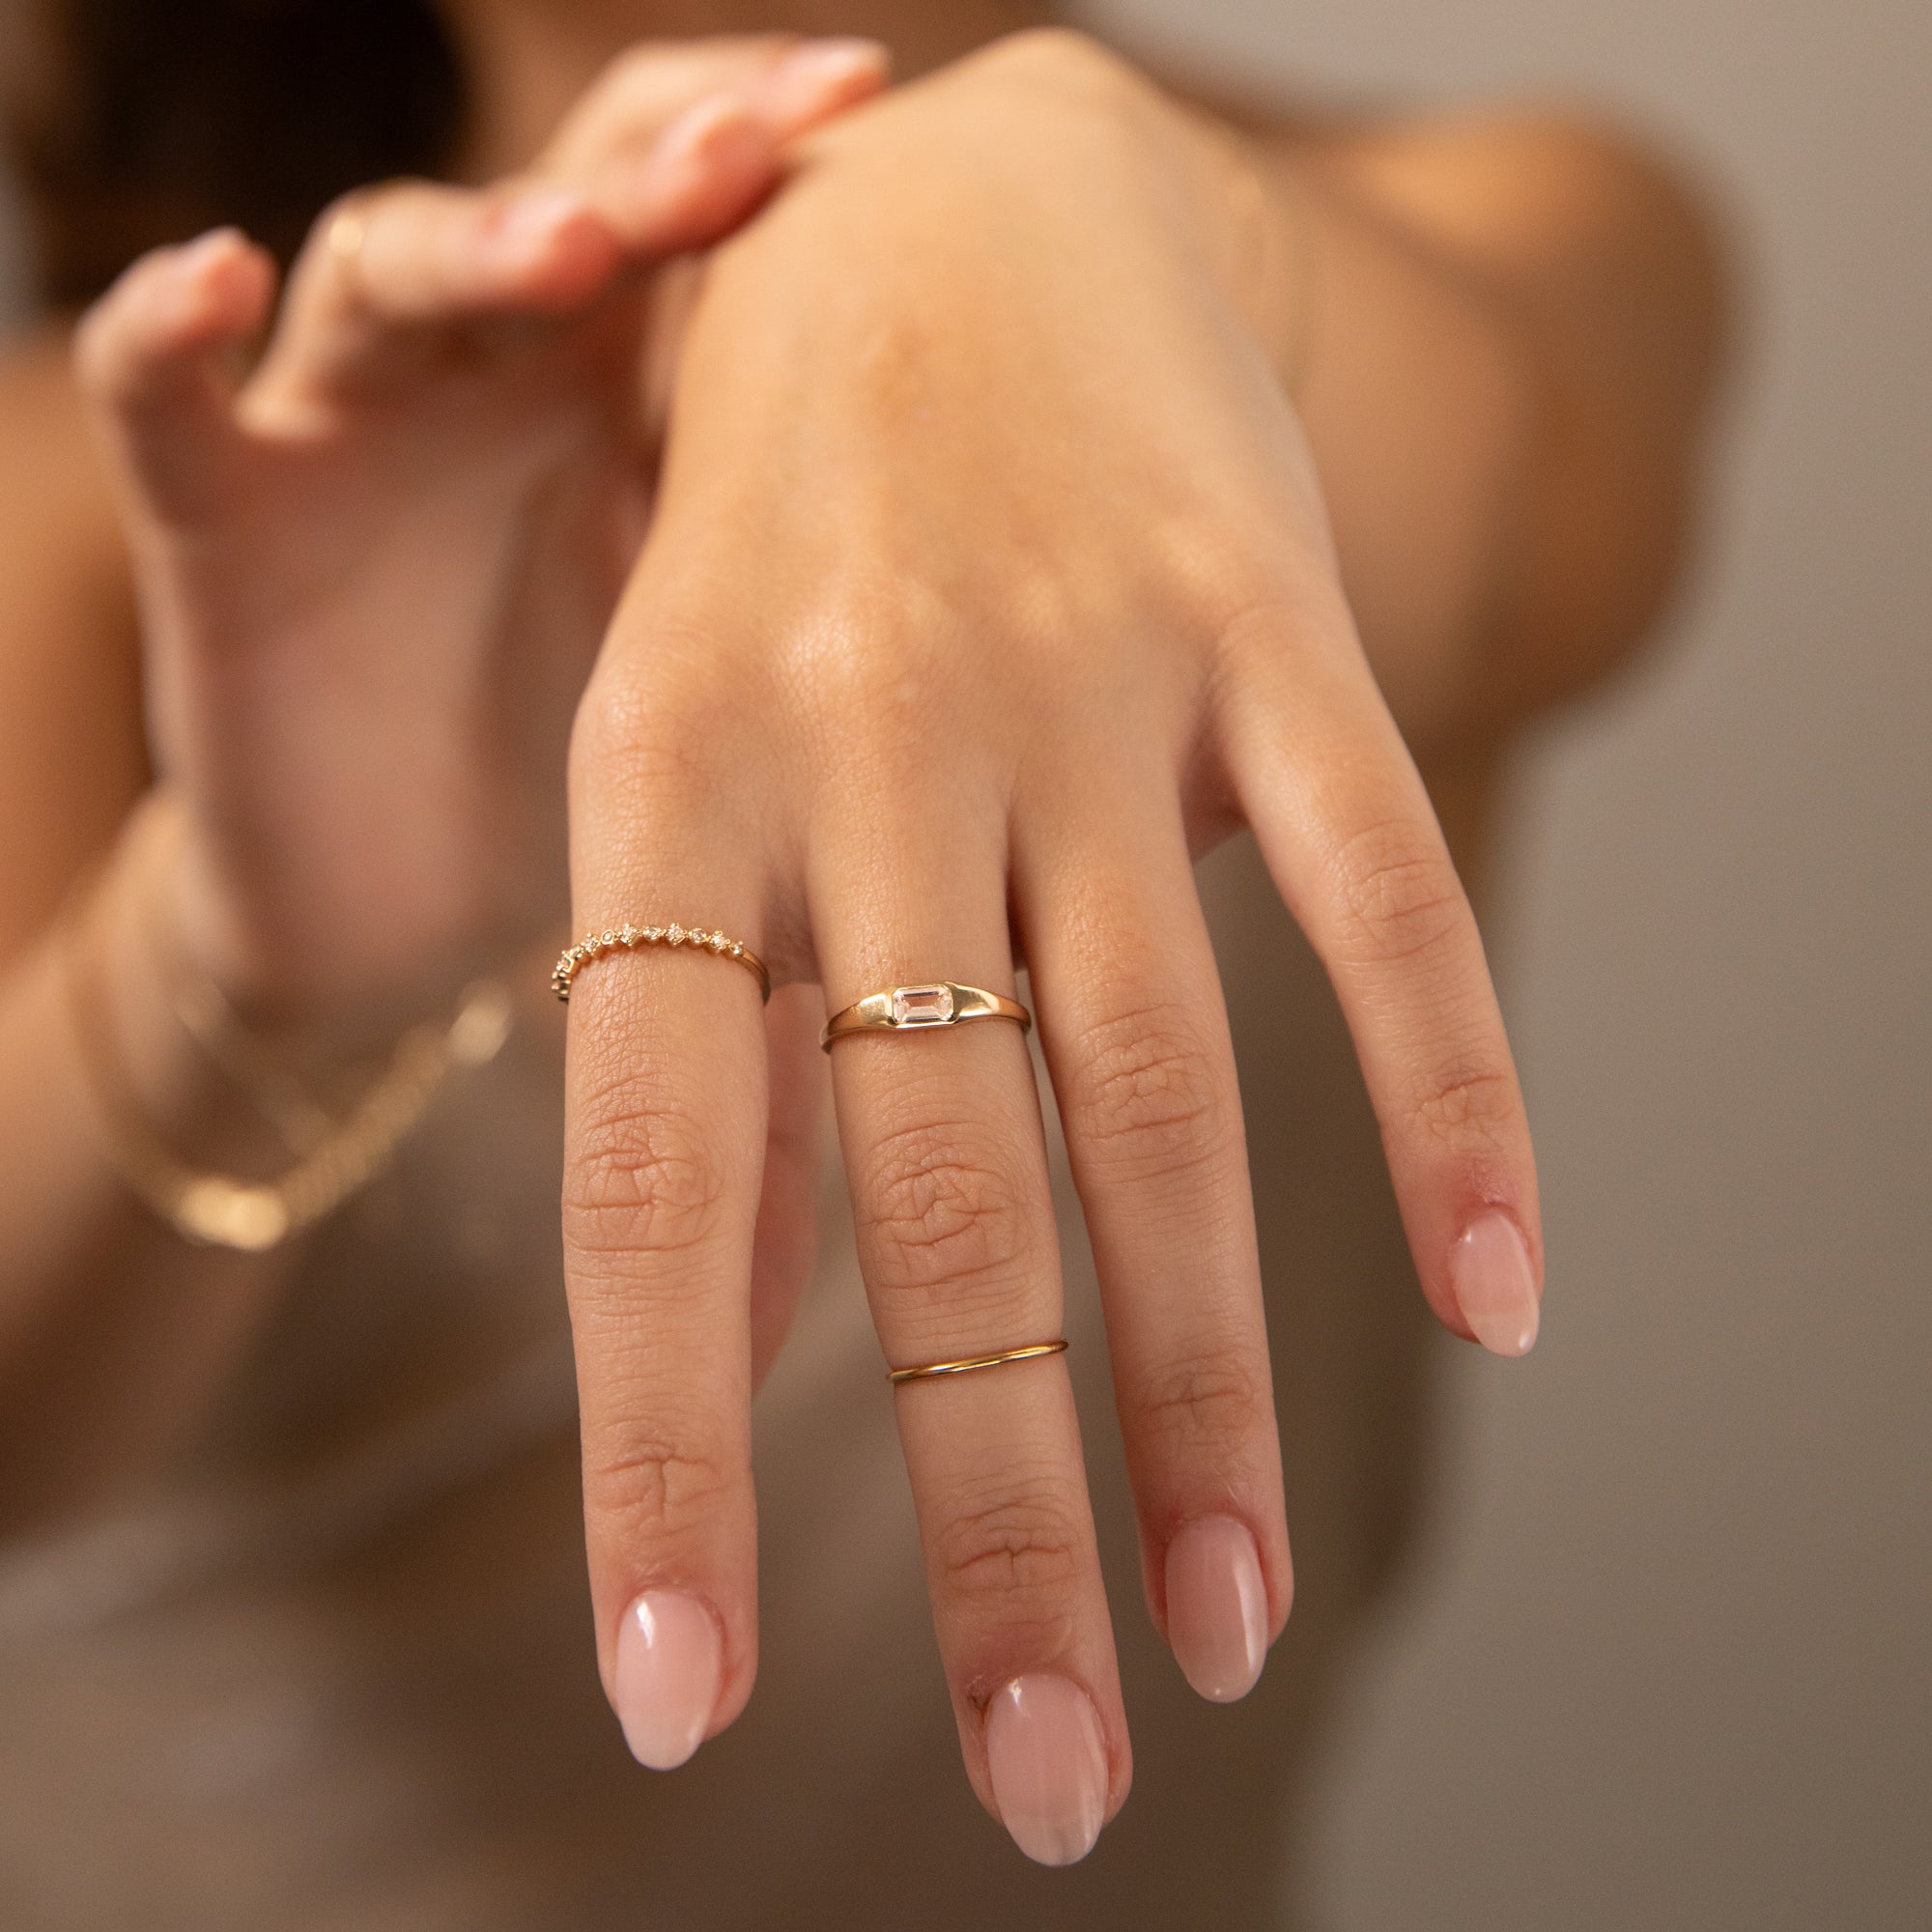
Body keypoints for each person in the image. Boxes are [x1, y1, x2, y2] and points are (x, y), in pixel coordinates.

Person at [0, 1, 1728, 1922]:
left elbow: (1504, 485)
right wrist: (241, 968)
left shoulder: (1521, 223)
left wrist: (994, 213)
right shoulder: (107, 486)